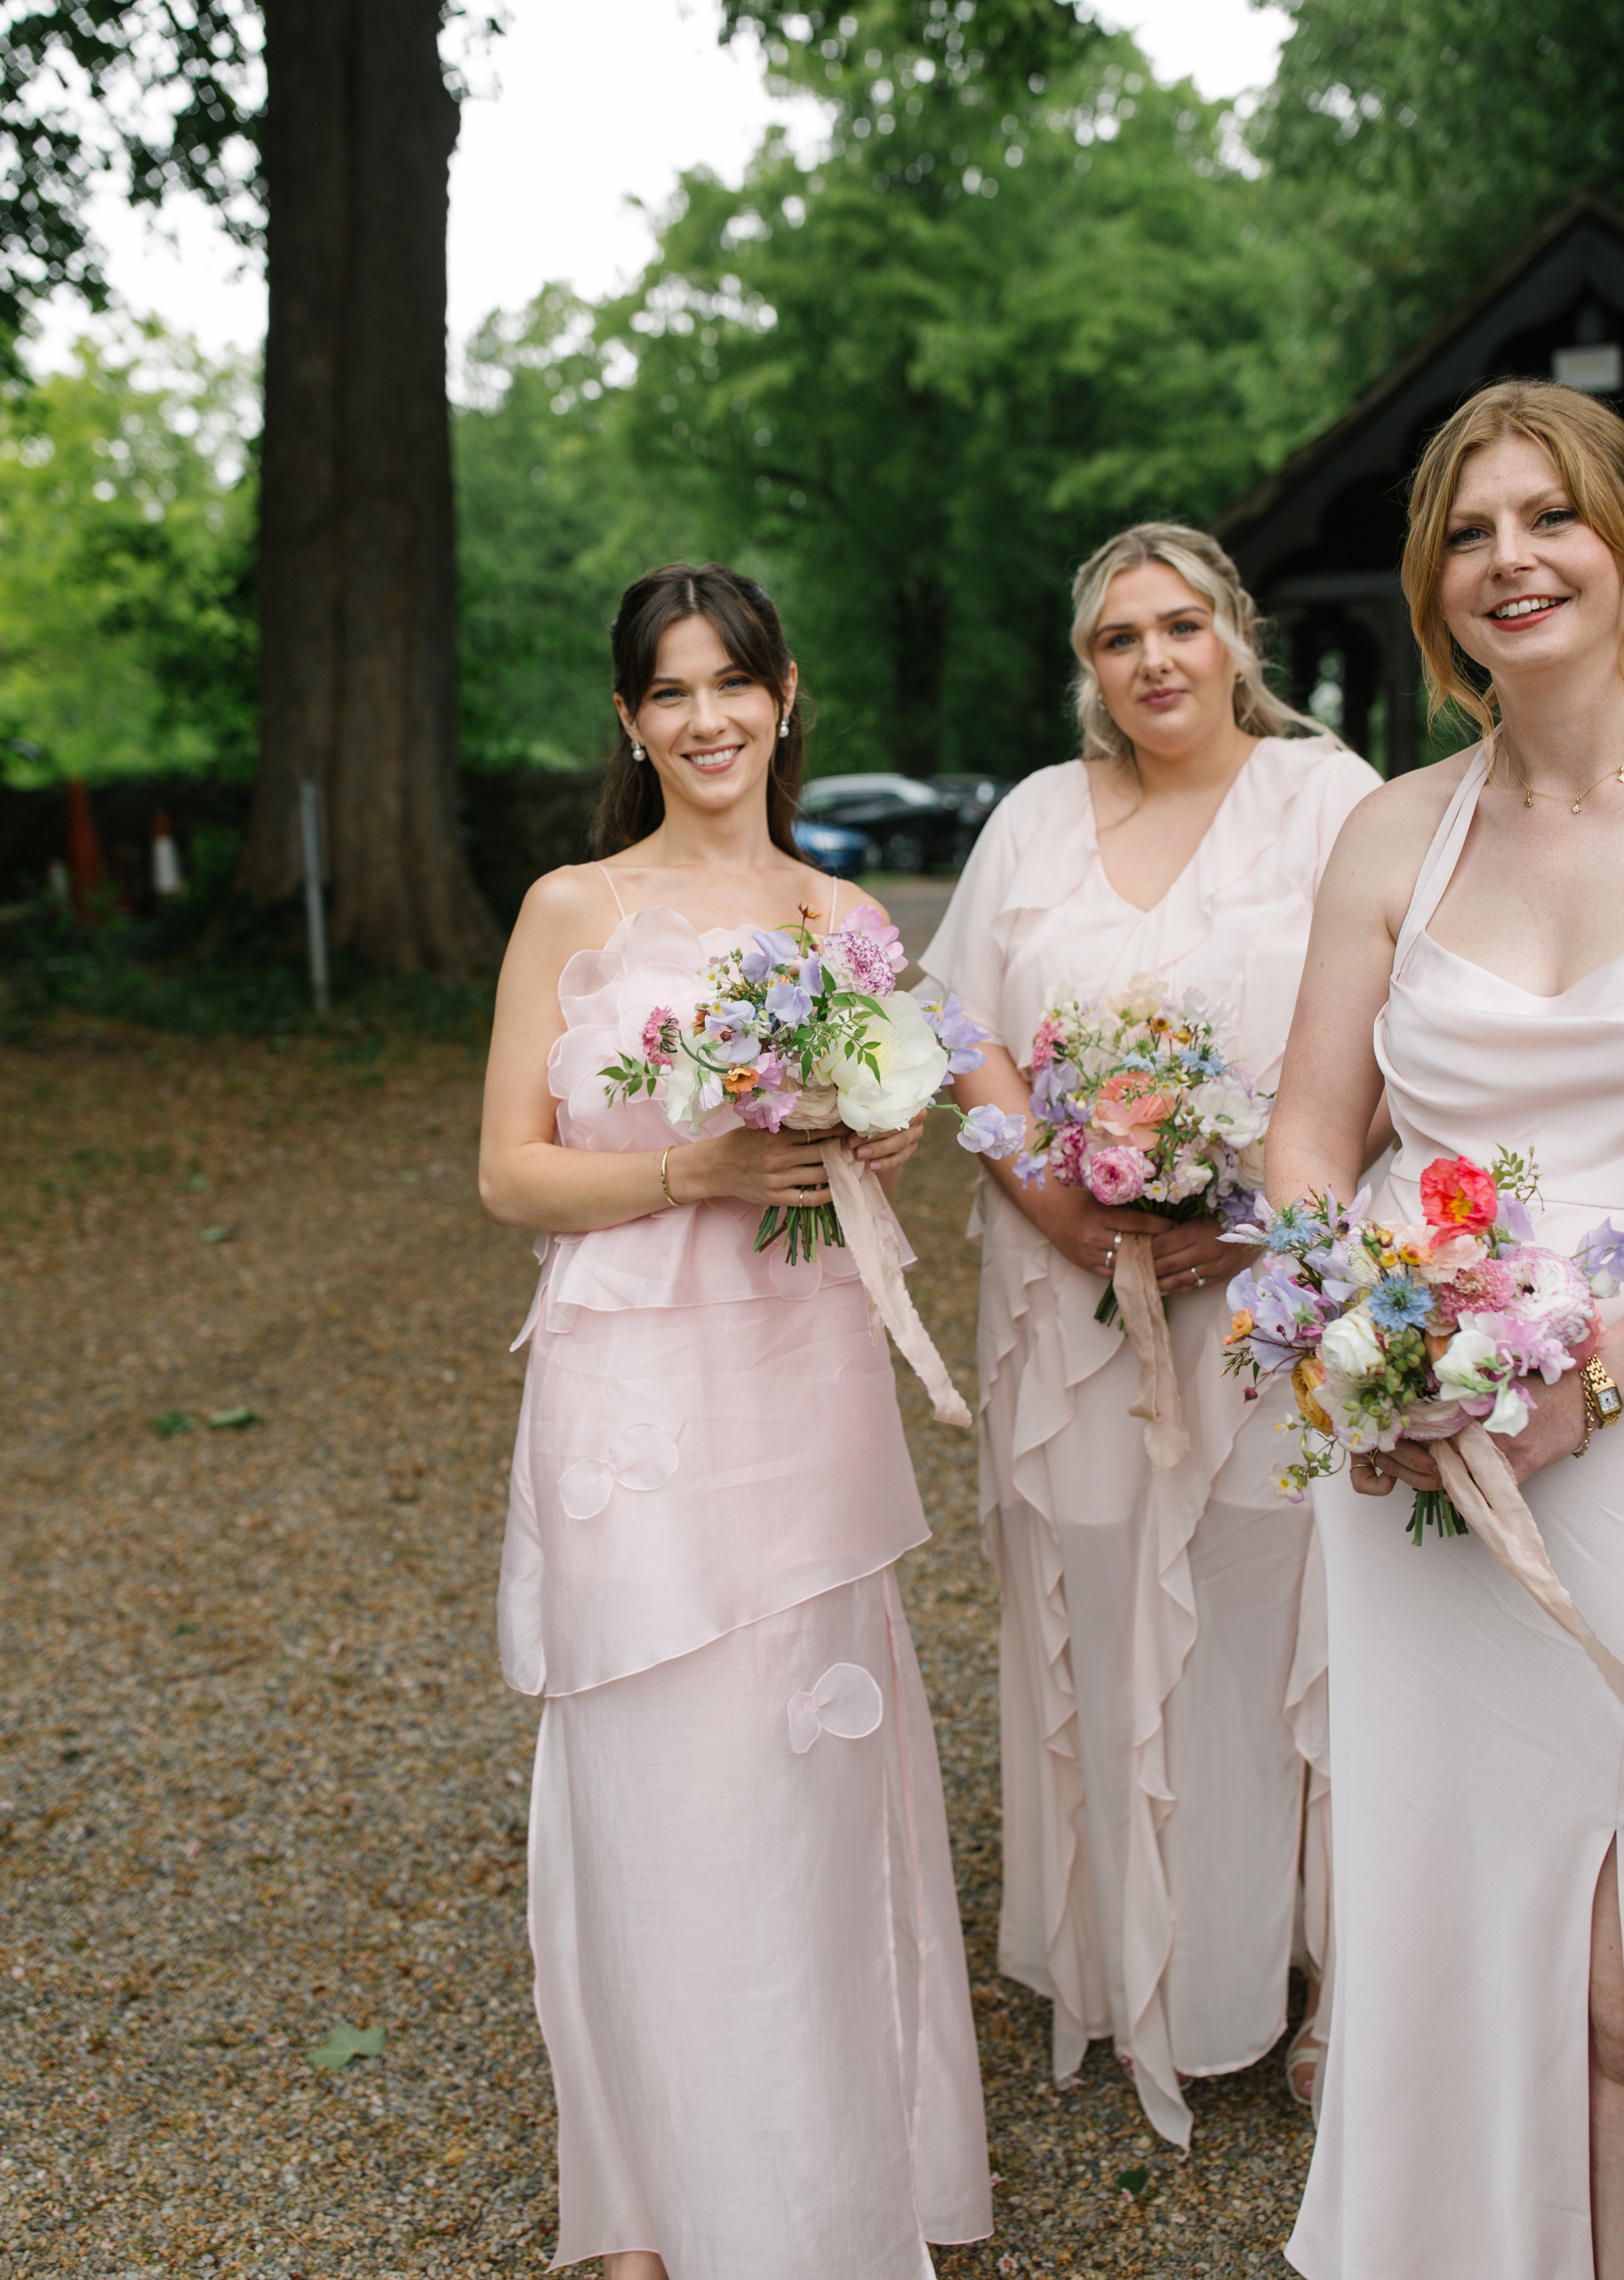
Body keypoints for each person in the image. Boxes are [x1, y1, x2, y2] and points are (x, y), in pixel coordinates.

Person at [478, 560, 991, 2280]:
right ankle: (643, 2200)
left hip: (795, 1364)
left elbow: (878, 1105)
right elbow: (507, 1175)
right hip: (632, 1379)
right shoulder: (570, 905)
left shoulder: (842, 922)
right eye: (670, 692)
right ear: (630, 720)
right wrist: (689, 1165)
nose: (707, 719)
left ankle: (824, 2183)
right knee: (654, 1772)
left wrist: (880, 1128)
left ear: (788, 698)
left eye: (734, 683)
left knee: (798, 1763)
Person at [918, 524, 1383, 2145]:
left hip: (1257, 1285)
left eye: (1181, 626)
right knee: (1100, 1599)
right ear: (1088, 667)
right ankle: (1133, 1971)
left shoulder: (1329, 798)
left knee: (1271, 1616)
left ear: (1234, 635)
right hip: (1067, 1287)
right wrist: (1044, 1190)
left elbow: (1385, 1020)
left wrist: (1242, 1207)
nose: (1154, 661)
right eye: (1118, 639)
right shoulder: (1039, 815)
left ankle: (1319, 1973)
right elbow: (960, 1023)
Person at [1269, 380, 1624, 2280]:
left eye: (1550, 516)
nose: (1513, 558)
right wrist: (1357, 1345)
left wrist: (1597, 1375)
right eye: (1470, 531)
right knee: (1458, 1912)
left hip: (1620, 1449)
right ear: (1432, 584)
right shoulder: (1395, 835)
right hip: (1416, 1455)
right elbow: (1313, 1141)